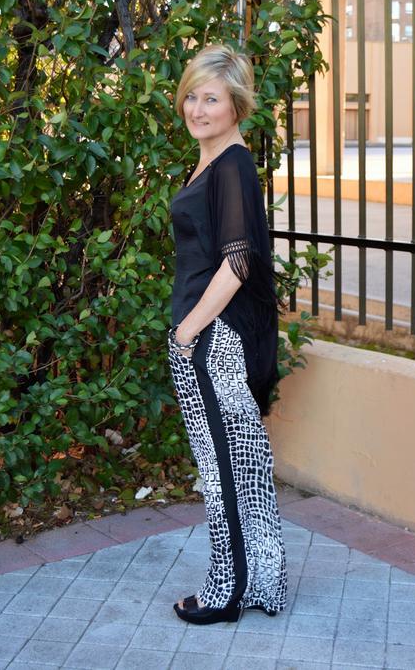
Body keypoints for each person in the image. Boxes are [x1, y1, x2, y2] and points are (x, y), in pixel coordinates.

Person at [167, 43, 288, 625]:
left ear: (236, 105)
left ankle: (225, 590)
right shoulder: (213, 161)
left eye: (210, 97)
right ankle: (263, 582)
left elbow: (238, 262)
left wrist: (187, 333)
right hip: (213, 338)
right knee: (243, 462)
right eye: (191, 94)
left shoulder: (233, 165)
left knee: (224, 469)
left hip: (214, 340)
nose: (196, 107)